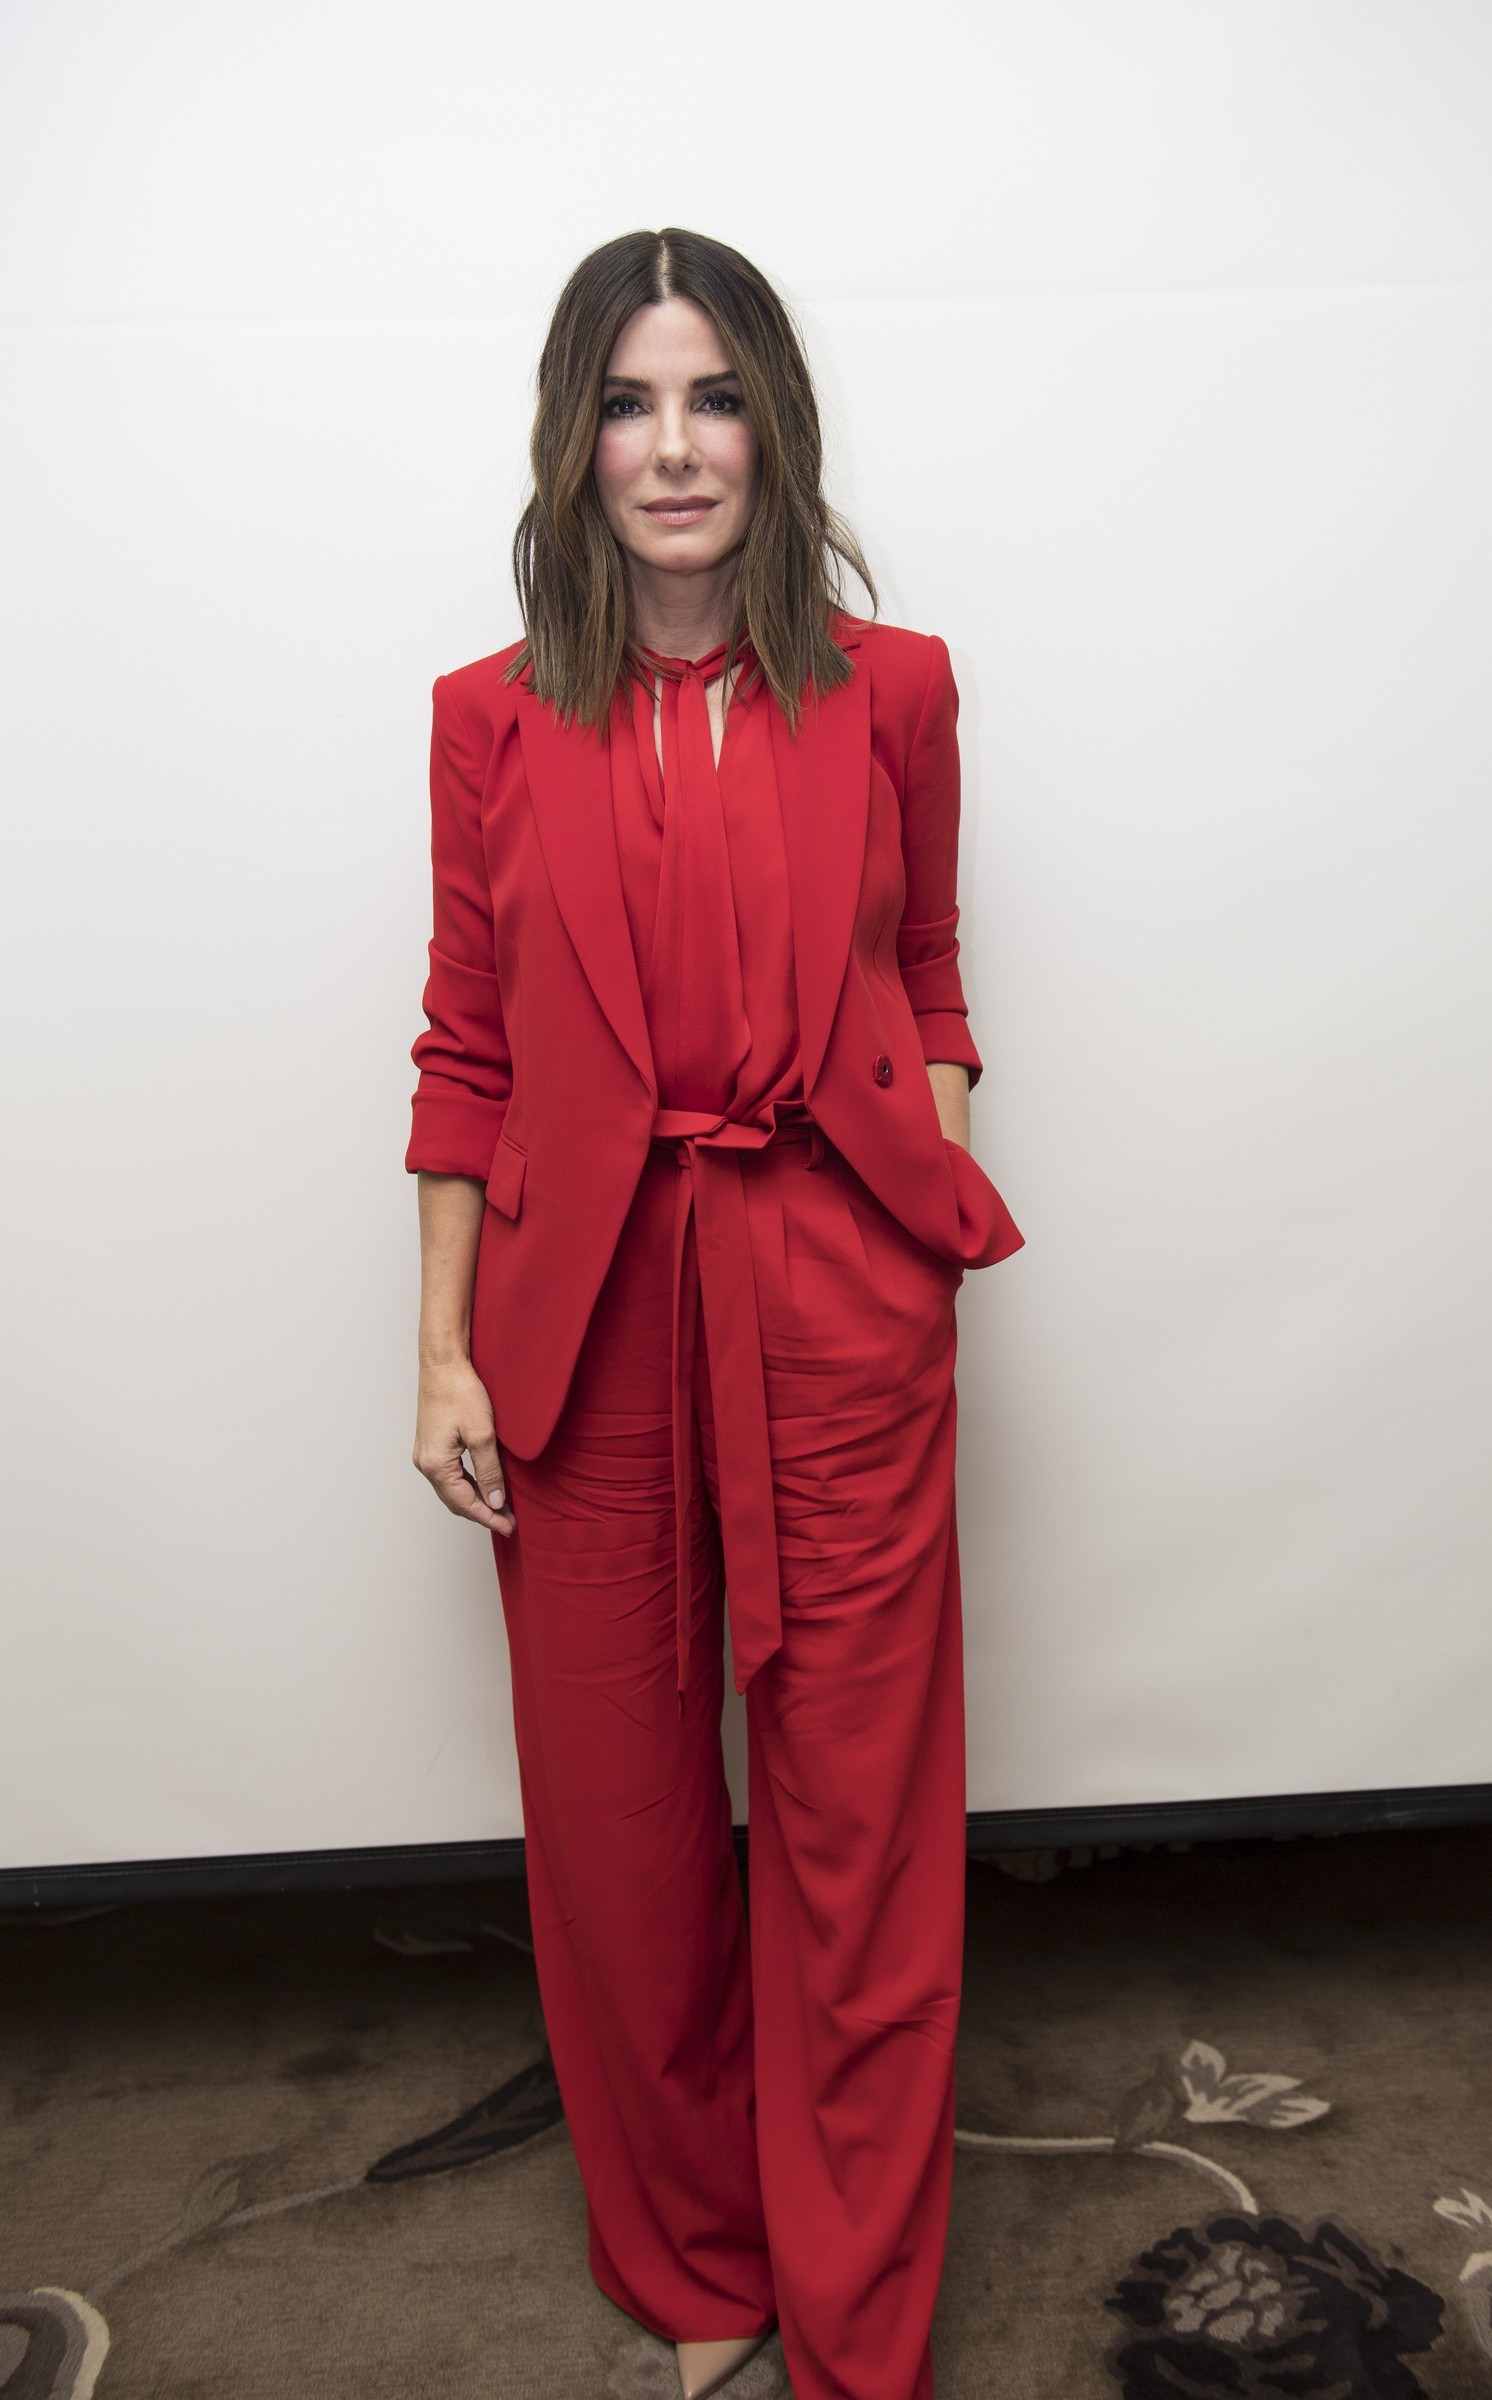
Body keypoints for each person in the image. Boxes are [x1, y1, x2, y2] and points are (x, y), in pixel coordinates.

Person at [405, 227, 1023, 2400]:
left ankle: (858, 2319)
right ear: (574, 442)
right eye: (628, 403)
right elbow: (465, 1049)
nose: (674, 448)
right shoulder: (486, 721)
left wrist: (918, 1196)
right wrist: (442, 1349)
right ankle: (700, 2273)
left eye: (715, 397)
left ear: (775, 426)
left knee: (858, 1831)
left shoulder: (897, 688)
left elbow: (928, 968)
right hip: (581, 1319)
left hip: (834, 1294)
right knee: (628, 1837)